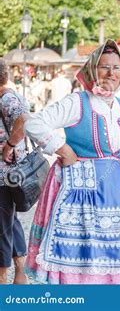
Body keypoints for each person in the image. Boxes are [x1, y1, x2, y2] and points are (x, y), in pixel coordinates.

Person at [24, 40, 120, 284]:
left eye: (117, 68)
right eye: (104, 67)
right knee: (81, 258)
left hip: (118, 197)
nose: (111, 73)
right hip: (81, 196)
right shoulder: (78, 101)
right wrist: (62, 149)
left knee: (112, 260)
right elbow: (33, 123)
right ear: (92, 69)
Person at [0, 59, 29, 284]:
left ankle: (2, 276)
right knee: (10, 221)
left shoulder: (6, 98)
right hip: (9, 174)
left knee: (2, 224)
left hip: (4, 173)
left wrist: (9, 145)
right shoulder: (9, 95)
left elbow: (24, 121)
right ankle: (20, 276)